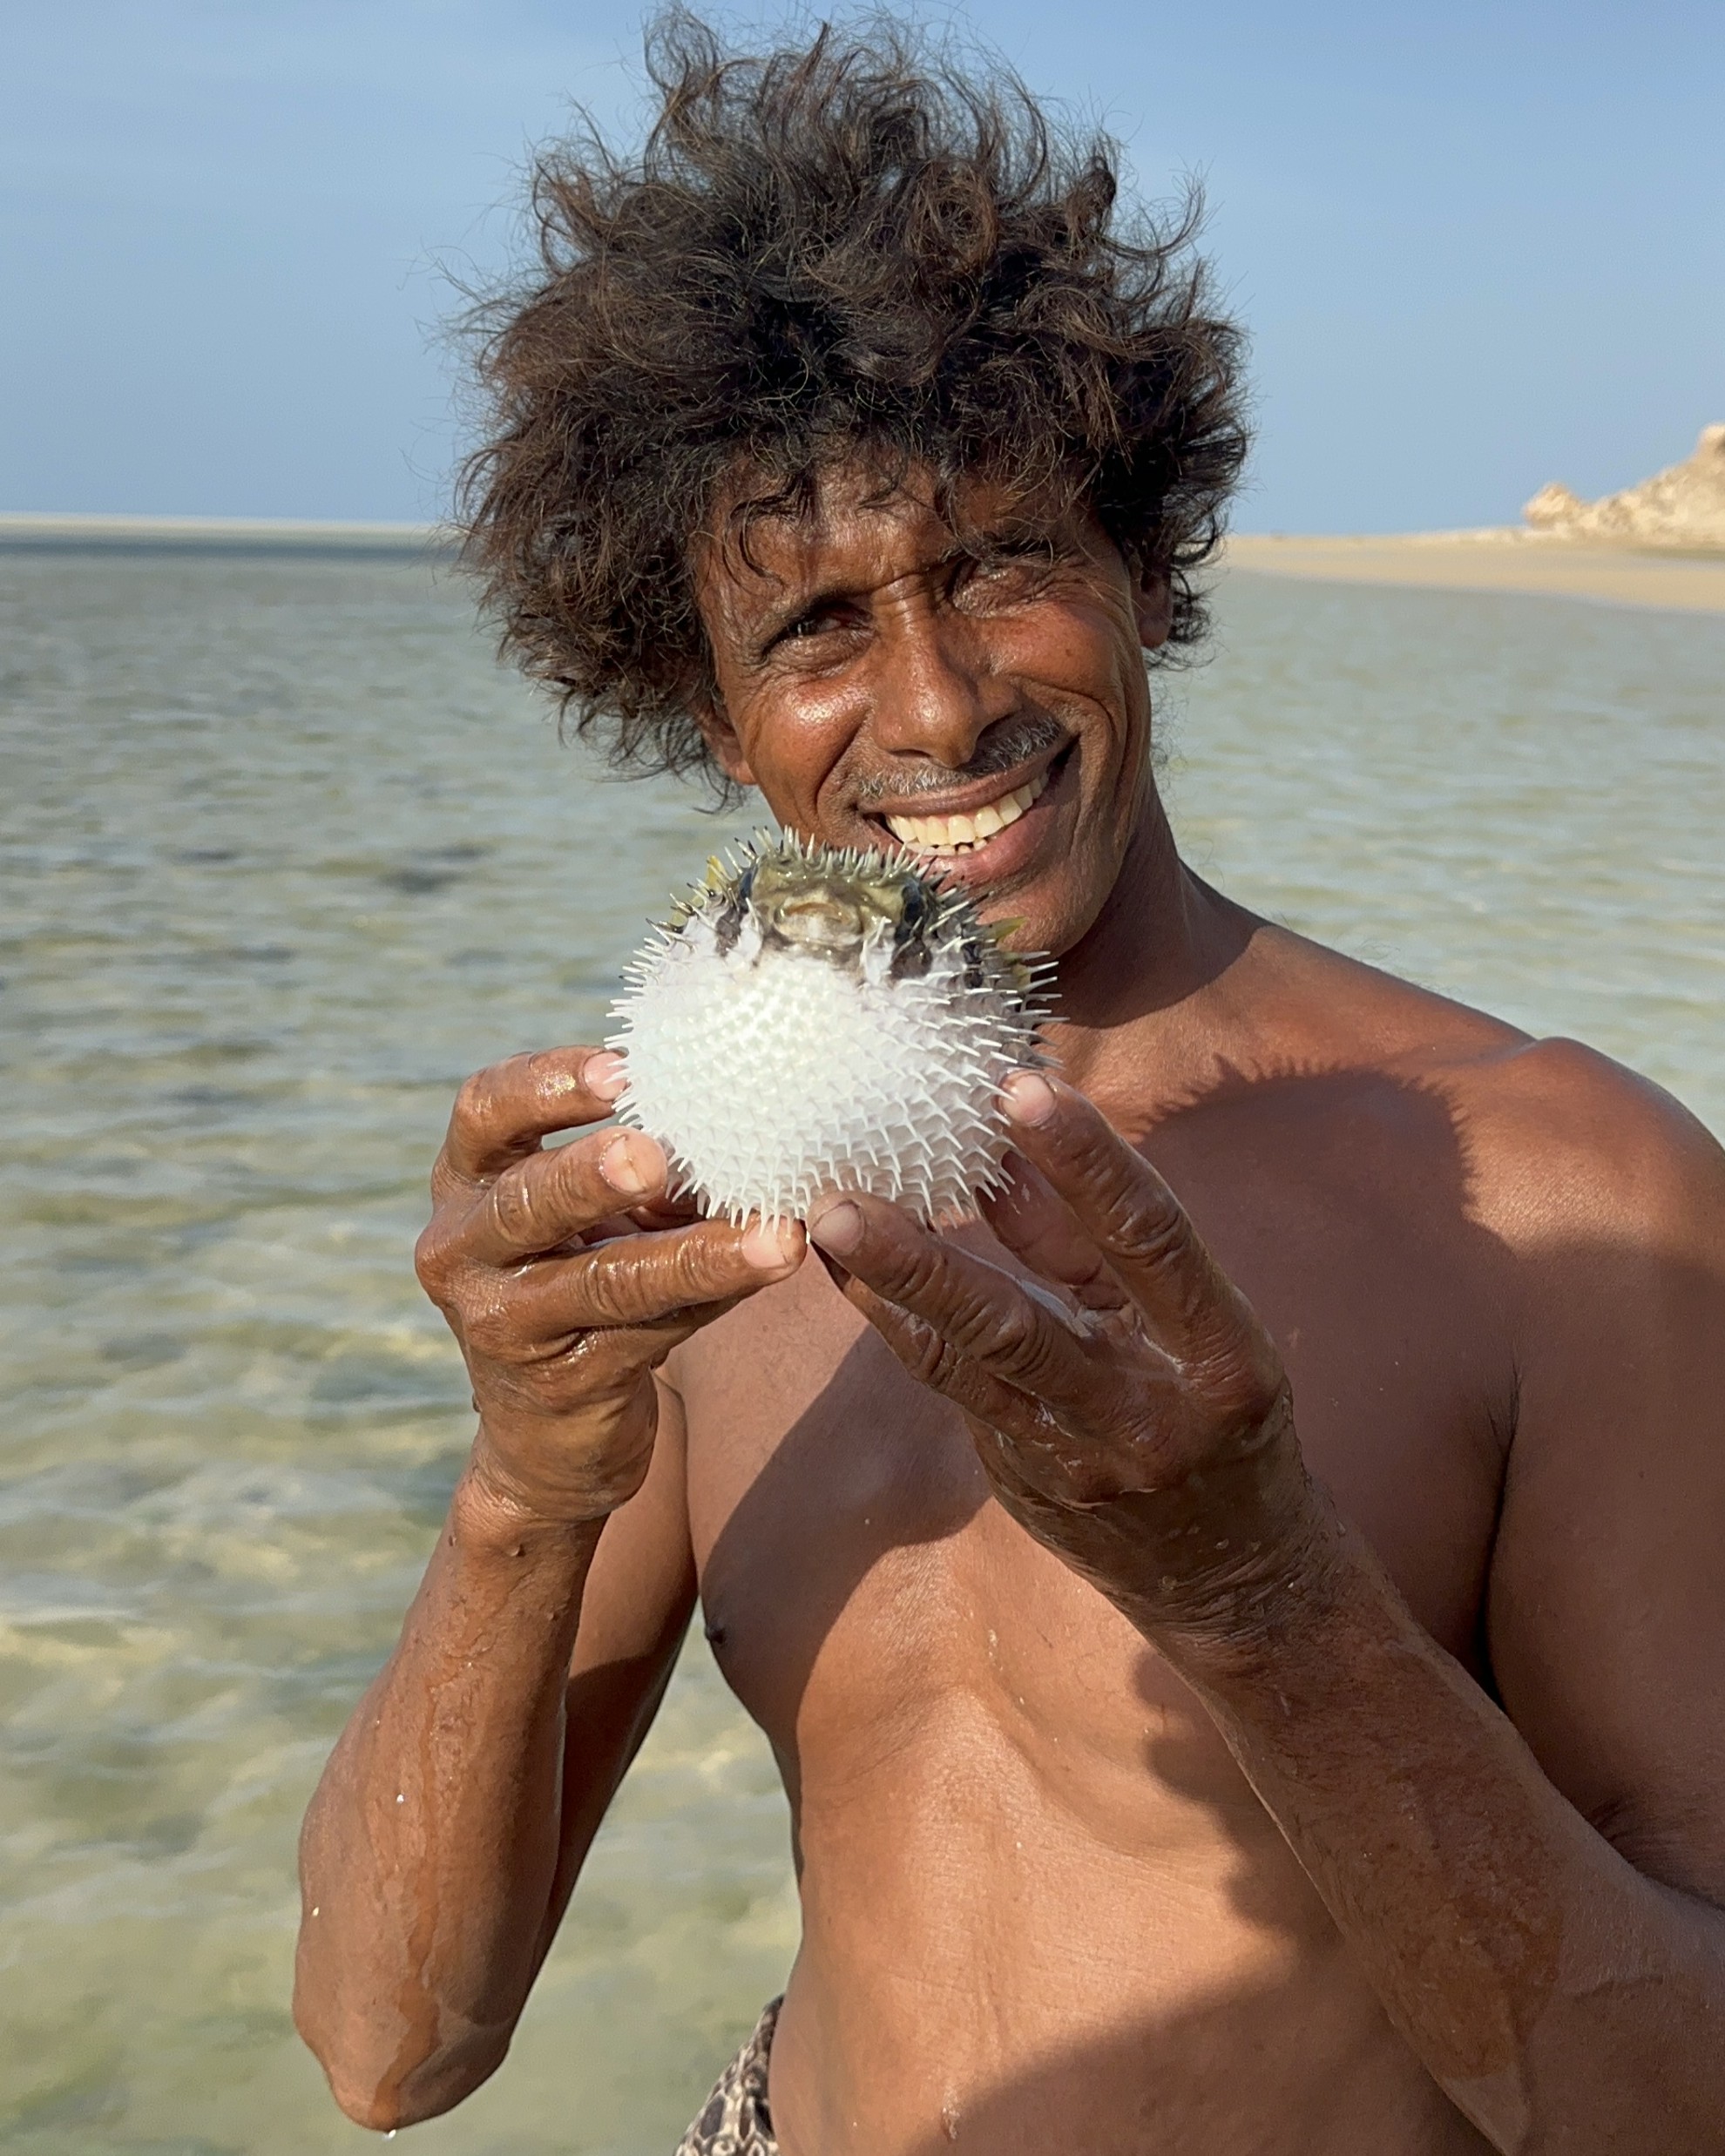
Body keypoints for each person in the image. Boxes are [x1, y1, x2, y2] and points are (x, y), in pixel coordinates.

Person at [292, 21, 1725, 2153]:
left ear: (1146, 563)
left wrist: (1262, 1589)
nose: (938, 700)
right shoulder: (695, 1208)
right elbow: (390, 2045)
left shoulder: (1563, 1191)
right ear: (705, 711)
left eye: (996, 564)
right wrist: (522, 1482)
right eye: (816, 628)